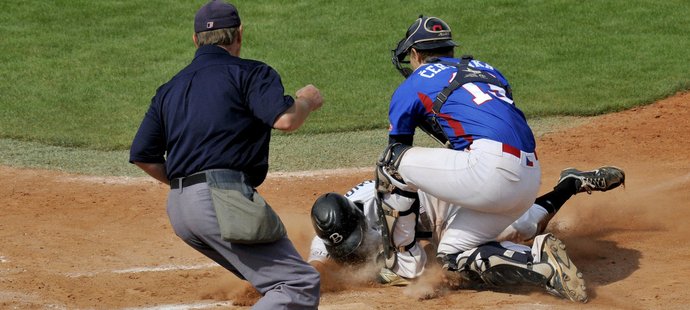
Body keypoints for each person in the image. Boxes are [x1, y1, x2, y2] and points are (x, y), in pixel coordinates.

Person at [370, 15, 619, 302]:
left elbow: (399, 150)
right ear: (449, 50)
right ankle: (540, 264)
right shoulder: (488, 70)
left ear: (415, 54)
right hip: (528, 175)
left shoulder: (413, 84)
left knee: (391, 162)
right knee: (450, 256)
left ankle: (404, 267)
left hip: (490, 173)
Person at [129, 1, 321, 308]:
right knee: (297, 283)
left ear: (195, 40)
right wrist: (306, 100)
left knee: (270, 276)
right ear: (239, 35)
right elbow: (285, 119)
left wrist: (192, 188)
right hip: (221, 203)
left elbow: (143, 155)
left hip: (181, 209)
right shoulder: (250, 73)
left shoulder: (169, 88)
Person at [309, 166, 625, 295]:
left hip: (444, 203)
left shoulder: (385, 206)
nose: (355, 249)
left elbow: (418, 246)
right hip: (426, 222)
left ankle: (568, 185)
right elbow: (314, 270)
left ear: (362, 220)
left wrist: (429, 268)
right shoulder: (325, 238)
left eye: (357, 241)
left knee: (522, 227)